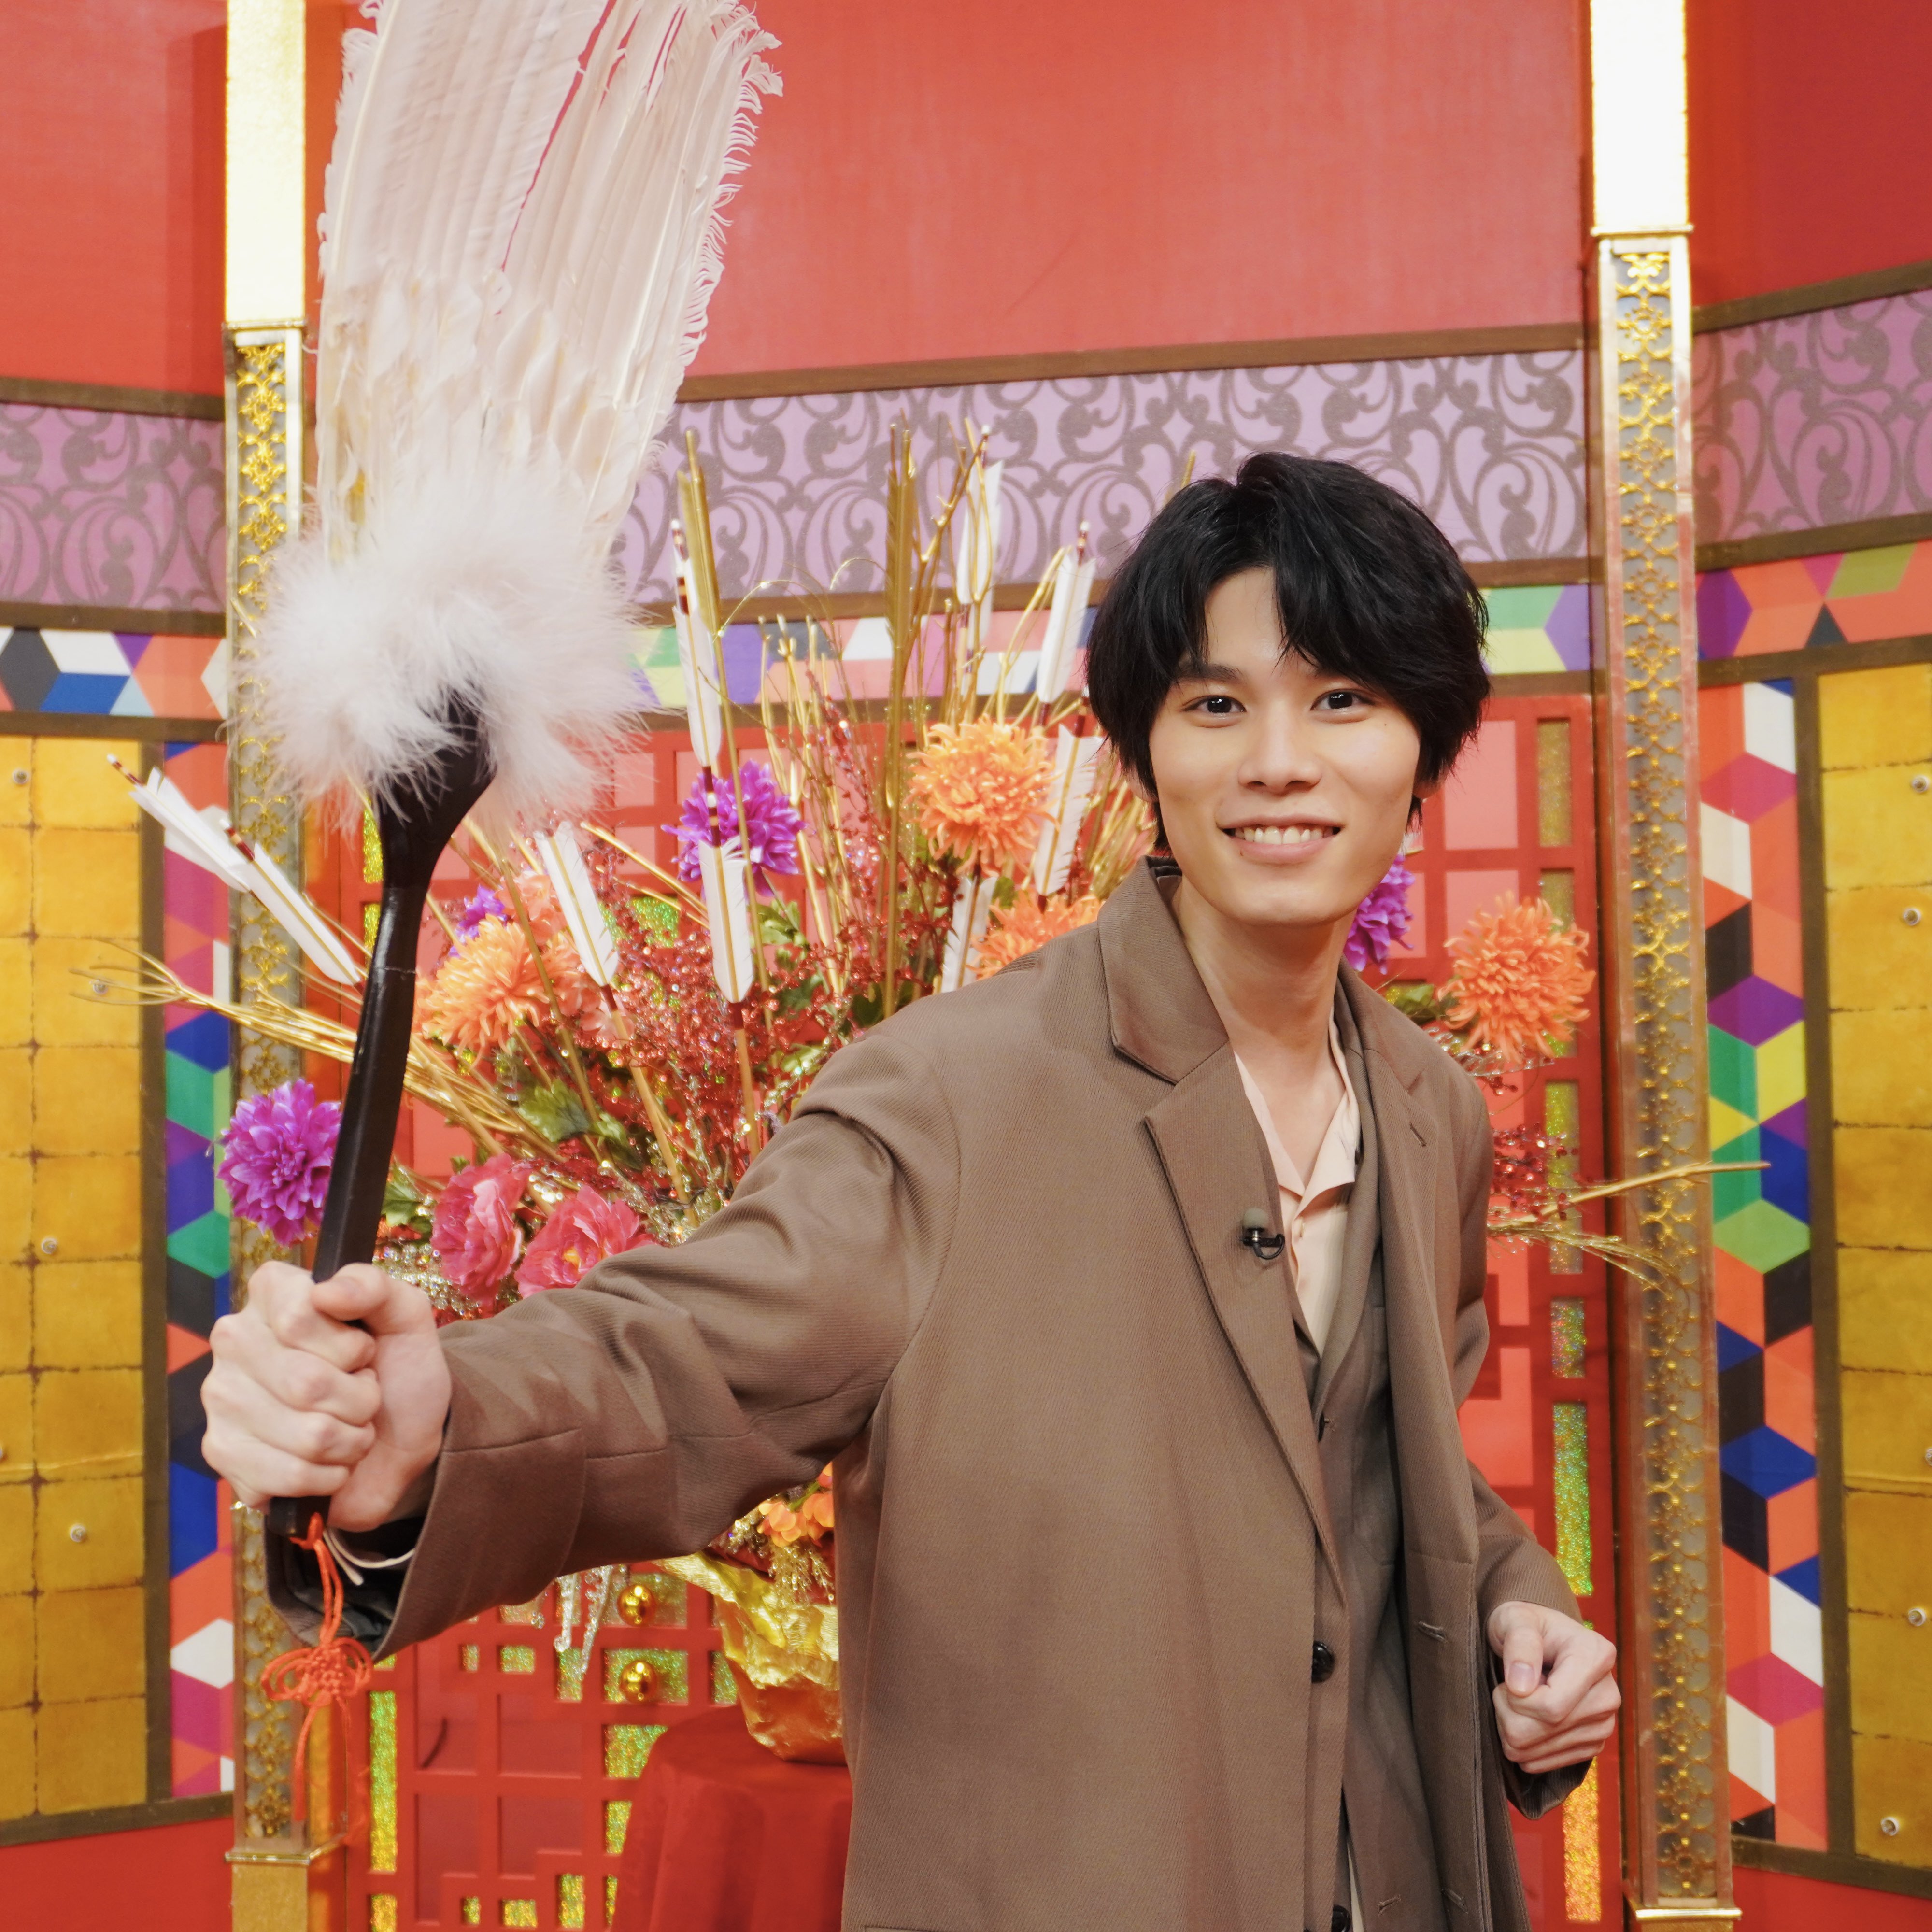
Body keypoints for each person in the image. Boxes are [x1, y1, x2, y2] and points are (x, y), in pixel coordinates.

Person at [204, 452, 1619, 1932]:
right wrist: (438, 1432)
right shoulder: (951, 1095)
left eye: (1343, 701)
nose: (1279, 760)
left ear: (1423, 745)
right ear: (1143, 747)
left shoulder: (1427, 1106)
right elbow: (683, 1363)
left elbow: (1385, 1474)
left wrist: (1519, 1605)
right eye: (1217, 705)